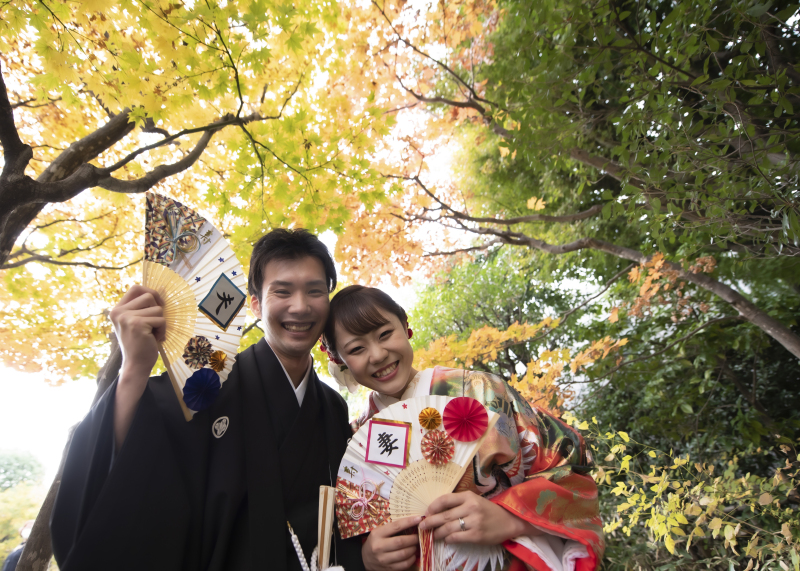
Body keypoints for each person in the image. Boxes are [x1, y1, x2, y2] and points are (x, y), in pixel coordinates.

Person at [50, 229, 366, 571]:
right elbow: (133, 468)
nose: (300, 306)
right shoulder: (208, 383)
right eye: (282, 291)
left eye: (315, 291)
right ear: (256, 304)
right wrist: (134, 370)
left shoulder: (333, 408)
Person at [321, 286, 605, 571]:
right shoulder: (358, 438)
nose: (378, 354)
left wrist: (509, 518)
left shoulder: (482, 392)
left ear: (406, 327)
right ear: (339, 361)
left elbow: (568, 465)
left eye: (385, 334)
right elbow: (356, 522)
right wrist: (368, 556)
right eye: (356, 349)